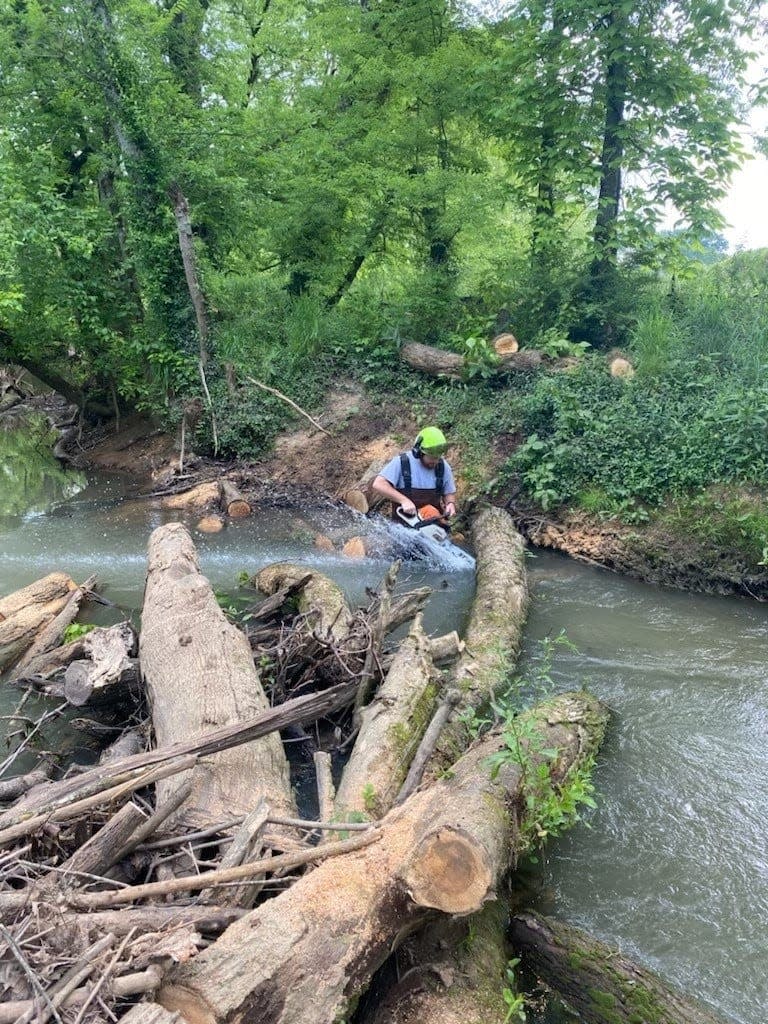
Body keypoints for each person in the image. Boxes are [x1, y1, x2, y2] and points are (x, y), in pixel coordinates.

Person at [372, 426, 457, 521]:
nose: (436, 461)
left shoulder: (443, 467)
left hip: (433, 524)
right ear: (419, 452)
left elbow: (449, 493)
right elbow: (378, 484)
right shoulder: (402, 463)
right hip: (402, 527)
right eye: (432, 457)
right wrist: (403, 500)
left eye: (438, 457)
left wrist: (450, 504)